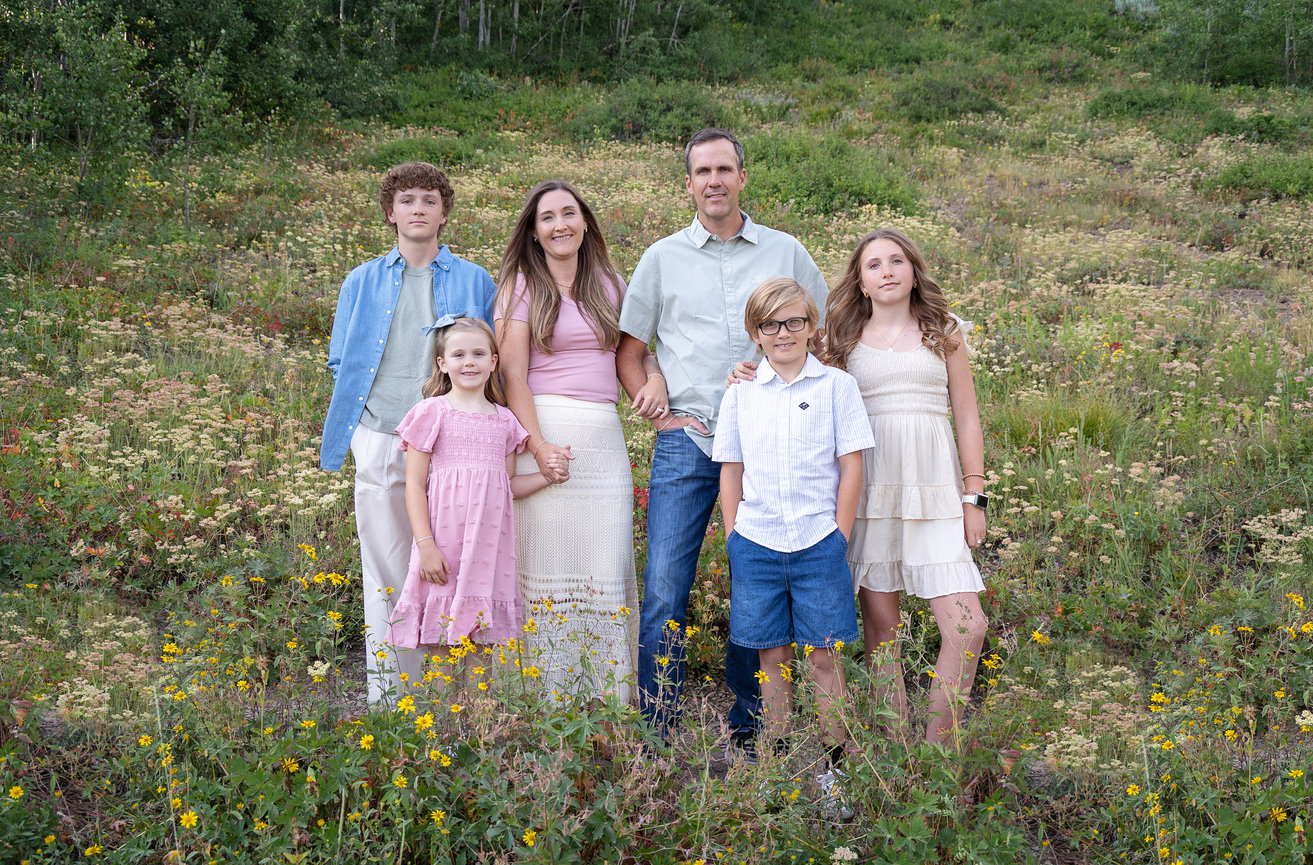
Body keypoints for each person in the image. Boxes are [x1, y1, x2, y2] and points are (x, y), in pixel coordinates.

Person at [616, 128, 828, 753]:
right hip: (691, 439)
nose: (714, 180)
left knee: (754, 583)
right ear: (688, 183)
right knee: (664, 586)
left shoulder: (786, 252)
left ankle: (751, 726)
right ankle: (658, 727)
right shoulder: (661, 258)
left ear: (742, 177)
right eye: (702, 170)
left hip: (770, 445)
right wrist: (657, 410)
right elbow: (630, 352)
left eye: (724, 169)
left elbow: (820, 332)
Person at [321, 161, 497, 706]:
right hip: (378, 434)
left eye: (427, 200)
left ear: (445, 212)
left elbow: (491, 358)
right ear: (389, 211)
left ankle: (445, 696)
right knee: (386, 567)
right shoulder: (362, 279)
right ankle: (392, 698)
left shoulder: (474, 279)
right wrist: (368, 423)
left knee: (445, 561)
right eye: (406, 200)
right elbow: (340, 360)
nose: (416, 209)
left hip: (450, 441)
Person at [494, 180, 667, 703]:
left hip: (603, 438)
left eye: (569, 213)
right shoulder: (521, 285)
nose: (560, 224)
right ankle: (544, 697)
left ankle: (605, 696)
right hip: (544, 428)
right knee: (547, 563)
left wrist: (655, 375)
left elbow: (635, 351)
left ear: (586, 222)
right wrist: (538, 444)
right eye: (547, 217)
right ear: (534, 231)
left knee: (603, 561)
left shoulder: (611, 282)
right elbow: (511, 376)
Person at [823, 227, 989, 746]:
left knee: (967, 628)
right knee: (882, 635)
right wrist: (746, 373)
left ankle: (938, 750)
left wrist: (974, 495)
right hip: (870, 494)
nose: (887, 270)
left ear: (914, 270)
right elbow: (794, 384)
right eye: (874, 264)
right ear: (862, 282)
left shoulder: (944, 330)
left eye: (897, 260)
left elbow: (966, 415)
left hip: (937, 495)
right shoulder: (840, 340)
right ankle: (896, 758)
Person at [715, 278, 872, 820]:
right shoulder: (740, 391)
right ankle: (776, 771)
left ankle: (835, 774)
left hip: (817, 542)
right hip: (756, 543)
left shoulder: (835, 388)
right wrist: (735, 536)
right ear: (755, 335)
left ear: (812, 327)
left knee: (825, 659)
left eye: (794, 322)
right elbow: (730, 470)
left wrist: (839, 534)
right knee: (772, 660)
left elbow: (852, 464)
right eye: (770, 325)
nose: (783, 333)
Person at [385, 316, 560, 666]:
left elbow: (508, 486)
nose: (469, 362)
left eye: (479, 353)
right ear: (442, 364)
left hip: (488, 551)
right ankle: (441, 722)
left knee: (480, 651)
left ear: (494, 361)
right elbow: (415, 486)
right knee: (441, 646)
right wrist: (425, 545)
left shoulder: (506, 422)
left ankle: (480, 721)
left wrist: (547, 476)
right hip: (442, 547)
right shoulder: (431, 412)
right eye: (459, 354)